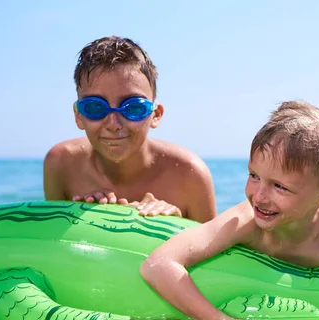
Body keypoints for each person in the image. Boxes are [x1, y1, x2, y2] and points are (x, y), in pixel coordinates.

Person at [140, 101, 319, 320]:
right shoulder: (245, 219)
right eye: (254, 176)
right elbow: (158, 265)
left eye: (280, 186)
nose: (258, 197)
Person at [43, 36, 217, 222]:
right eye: (95, 107)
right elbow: (56, 245)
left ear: (155, 114)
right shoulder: (61, 164)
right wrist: (81, 218)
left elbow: (213, 249)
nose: (113, 124)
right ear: (79, 115)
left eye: (133, 107)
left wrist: (175, 225)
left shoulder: (189, 175)